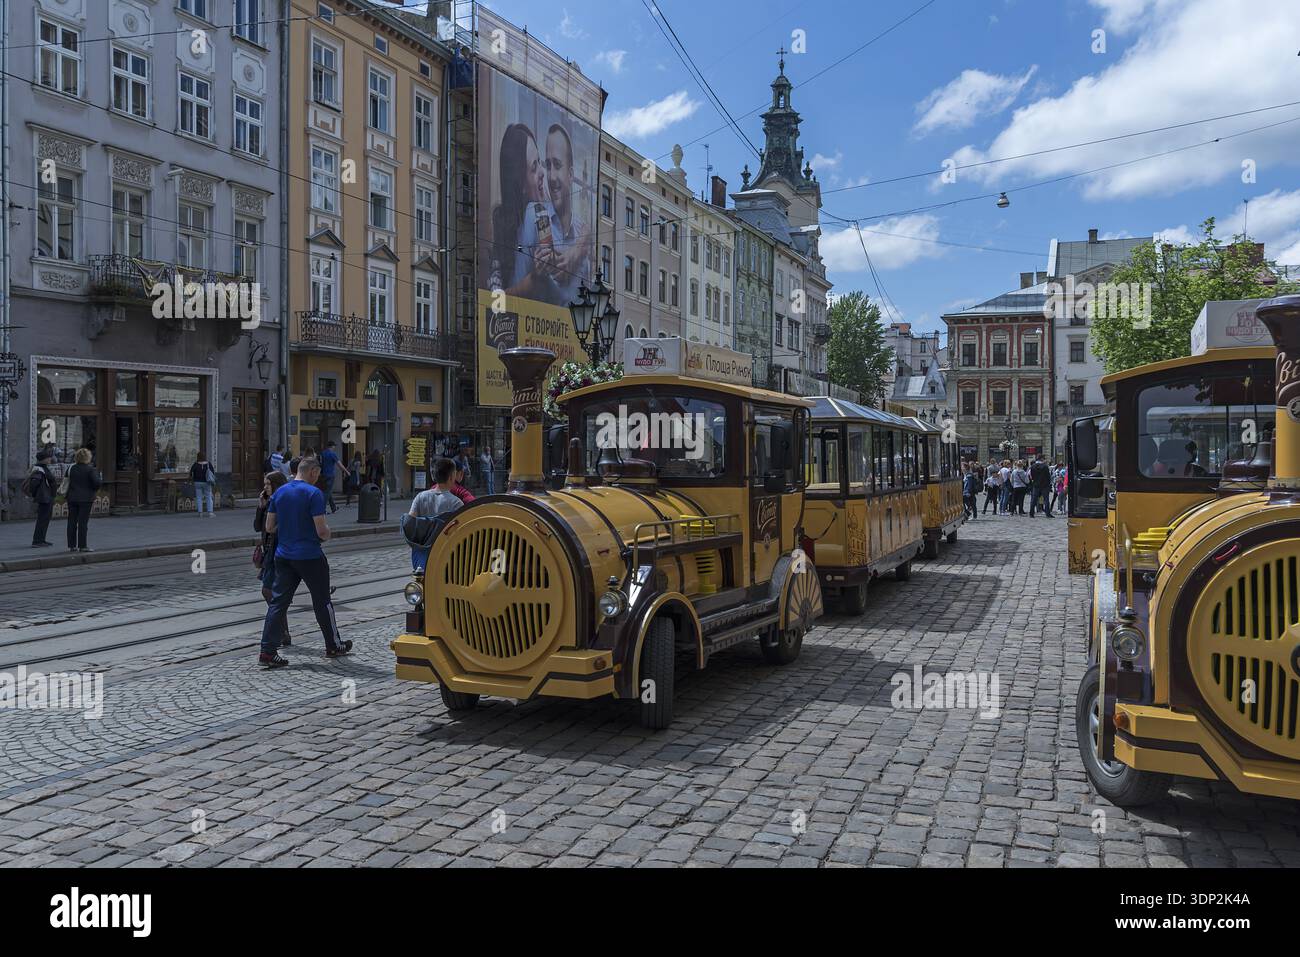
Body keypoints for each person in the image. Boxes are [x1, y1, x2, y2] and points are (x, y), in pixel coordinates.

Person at [258, 456, 352, 668]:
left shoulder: (280, 492)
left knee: (278, 603)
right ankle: (333, 645)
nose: (317, 478)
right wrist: (328, 534)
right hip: (309, 556)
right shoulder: (313, 493)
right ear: (313, 472)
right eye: (317, 474)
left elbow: (270, 527)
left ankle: (267, 651)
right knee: (322, 601)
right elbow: (321, 530)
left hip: (283, 556)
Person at [255, 470, 292, 647]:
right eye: (264, 484)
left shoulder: (282, 502)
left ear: (276, 485)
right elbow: (257, 527)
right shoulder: (269, 503)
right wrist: (261, 507)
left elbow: (282, 526)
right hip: (269, 552)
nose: (265, 488)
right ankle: (283, 633)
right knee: (273, 594)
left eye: (268, 484)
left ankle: (281, 632)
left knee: (269, 592)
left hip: (279, 552)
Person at [408, 458, 465, 572]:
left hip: (421, 555)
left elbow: (411, 522)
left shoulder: (420, 497)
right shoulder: (456, 503)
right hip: (445, 555)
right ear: (451, 477)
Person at [65, 448, 102, 552]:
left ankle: (72, 545)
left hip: (72, 497)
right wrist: (93, 489)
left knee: (71, 521)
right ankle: (83, 545)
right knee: (83, 522)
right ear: (88, 458)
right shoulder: (90, 469)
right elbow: (97, 483)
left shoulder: (71, 468)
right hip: (86, 498)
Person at [24, 450, 57, 547]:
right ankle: (37, 541)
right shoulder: (39, 469)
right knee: (42, 519)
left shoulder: (43, 468)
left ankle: (42, 539)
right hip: (44, 497)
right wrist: (37, 494)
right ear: (44, 459)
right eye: (48, 457)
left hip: (47, 497)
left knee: (45, 519)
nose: (50, 459)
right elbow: (34, 484)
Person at [319, 440, 347, 514]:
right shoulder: (332, 454)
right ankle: (322, 510)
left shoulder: (323, 453)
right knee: (327, 492)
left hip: (324, 475)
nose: (334, 447)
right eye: (334, 446)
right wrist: (346, 471)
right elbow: (339, 464)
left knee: (328, 491)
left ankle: (333, 507)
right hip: (330, 475)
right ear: (331, 446)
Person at [189, 452, 216, 518]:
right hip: (207, 482)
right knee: (208, 496)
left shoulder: (195, 464)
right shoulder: (208, 464)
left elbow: (191, 473)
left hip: (197, 482)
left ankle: (200, 513)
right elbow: (213, 473)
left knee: (199, 497)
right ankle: (210, 513)